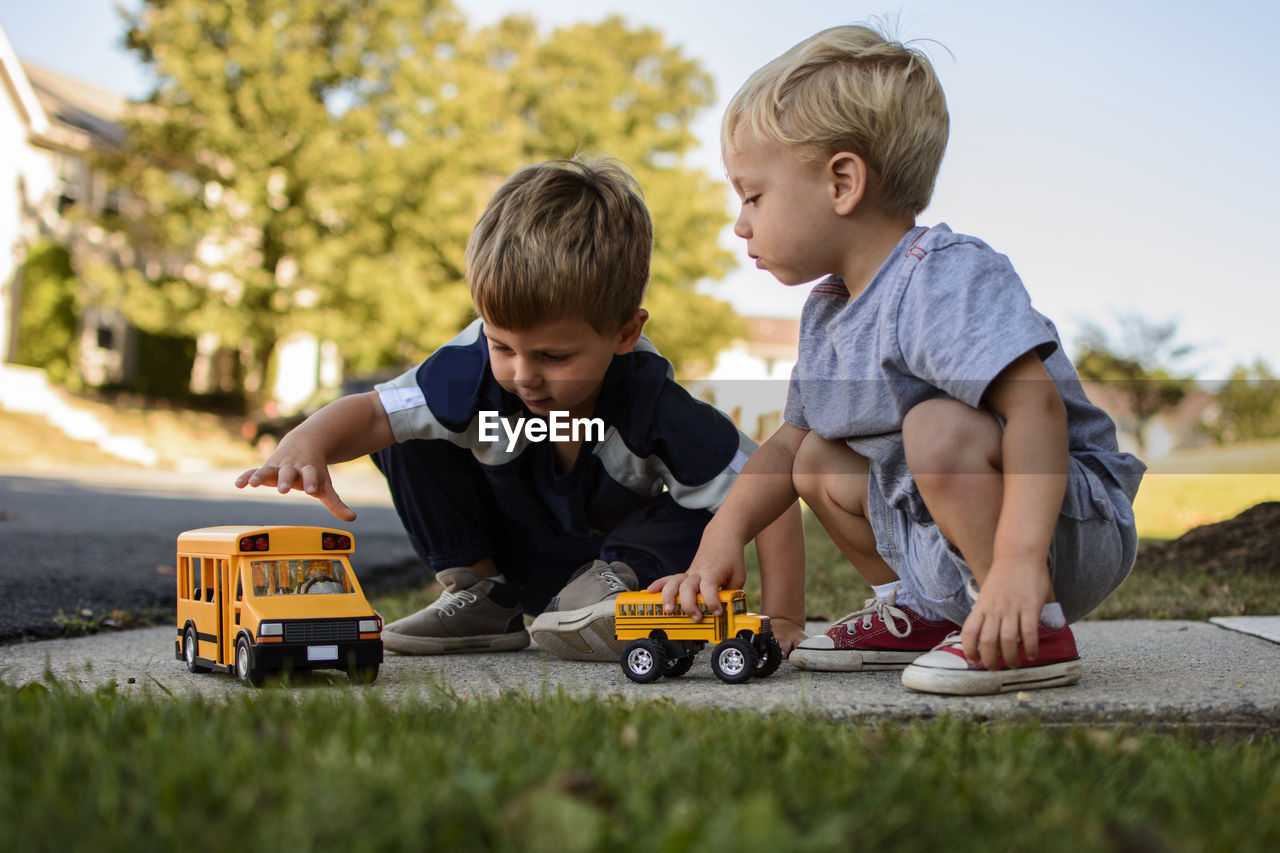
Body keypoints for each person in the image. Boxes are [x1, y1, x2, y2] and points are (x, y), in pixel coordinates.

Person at [651, 25, 1145, 695]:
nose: (740, 222)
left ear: (842, 182)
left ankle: (1038, 628)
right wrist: (724, 533)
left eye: (753, 195)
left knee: (934, 428)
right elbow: (786, 446)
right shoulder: (829, 311)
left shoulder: (940, 277)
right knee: (814, 456)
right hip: (951, 535)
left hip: (1061, 524)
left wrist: (1021, 563)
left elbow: (1037, 408)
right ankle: (917, 609)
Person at [236, 157, 806, 661]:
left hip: (614, 563)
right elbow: (374, 412)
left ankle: (610, 593)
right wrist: (306, 442)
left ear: (626, 332)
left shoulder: (652, 403)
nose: (523, 375)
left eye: (554, 356)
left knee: (711, 512)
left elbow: (771, 494)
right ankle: (482, 596)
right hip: (511, 549)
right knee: (407, 432)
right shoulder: (466, 371)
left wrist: (783, 620)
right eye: (502, 345)